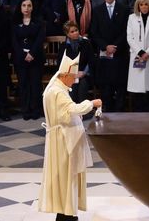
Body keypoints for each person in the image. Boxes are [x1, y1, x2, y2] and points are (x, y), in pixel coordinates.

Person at [38, 49, 102, 221]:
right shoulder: (57, 92)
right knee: (66, 177)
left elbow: (65, 113)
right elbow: (72, 109)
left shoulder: (56, 87)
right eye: (73, 78)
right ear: (65, 75)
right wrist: (92, 103)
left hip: (63, 138)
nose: (74, 81)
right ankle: (66, 213)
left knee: (66, 177)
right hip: (63, 141)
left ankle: (67, 211)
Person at [91, 0, 129, 112]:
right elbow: (94, 32)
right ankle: (108, 110)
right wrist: (105, 46)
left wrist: (115, 46)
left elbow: (126, 31)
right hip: (104, 54)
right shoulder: (97, 10)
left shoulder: (124, 9)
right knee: (106, 85)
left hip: (120, 52)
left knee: (120, 84)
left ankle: (120, 110)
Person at [11, 0, 45, 120]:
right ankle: (25, 110)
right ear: (20, 8)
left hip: (36, 57)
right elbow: (14, 41)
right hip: (21, 58)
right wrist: (23, 54)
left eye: (29, 5)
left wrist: (32, 53)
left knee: (35, 84)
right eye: (24, 5)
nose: (26, 8)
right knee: (23, 84)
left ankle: (35, 109)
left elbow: (39, 39)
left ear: (32, 7)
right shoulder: (14, 23)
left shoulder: (39, 22)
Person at [58, 21, 95, 104]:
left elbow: (91, 60)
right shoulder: (64, 46)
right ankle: (72, 112)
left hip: (84, 74)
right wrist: (71, 74)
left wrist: (84, 72)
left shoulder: (86, 43)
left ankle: (83, 113)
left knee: (83, 84)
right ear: (67, 34)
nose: (75, 33)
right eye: (72, 31)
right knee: (72, 87)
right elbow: (60, 63)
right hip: (69, 75)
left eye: (76, 30)